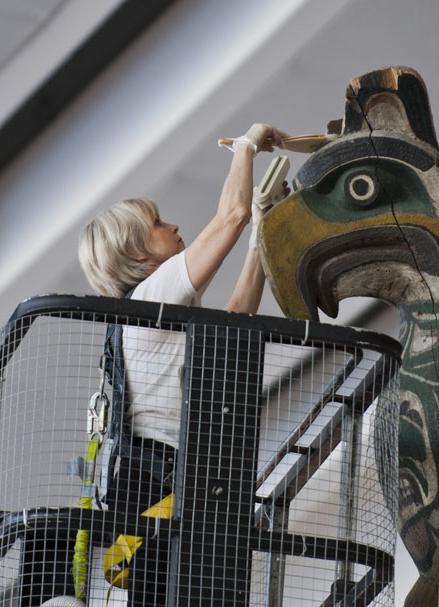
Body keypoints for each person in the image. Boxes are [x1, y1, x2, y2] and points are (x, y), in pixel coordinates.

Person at [76, 123, 285, 605]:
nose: (171, 227)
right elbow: (228, 215)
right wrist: (248, 145)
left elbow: (236, 318)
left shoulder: (152, 320)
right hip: (156, 482)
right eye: (157, 224)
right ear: (136, 253)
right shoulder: (149, 299)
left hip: (161, 483)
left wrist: (261, 234)